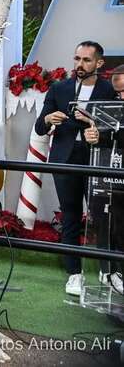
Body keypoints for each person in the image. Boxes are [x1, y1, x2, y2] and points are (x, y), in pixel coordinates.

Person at [35, 41, 117, 296]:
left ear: (99, 63)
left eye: (86, 60)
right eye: (77, 59)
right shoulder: (59, 88)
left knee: (103, 218)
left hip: (97, 161)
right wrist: (48, 118)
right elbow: (39, 127)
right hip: (65, 159)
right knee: (70, 216)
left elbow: (116, 129)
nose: (79, 64)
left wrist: (96, 129)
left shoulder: (109, 90)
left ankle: (108, 271)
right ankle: (74, 274)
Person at [81, 64, 124, 294]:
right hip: (114, 182)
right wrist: (94, 136)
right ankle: (112, 273)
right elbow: (106, 136)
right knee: (112, 226)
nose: (121, 97)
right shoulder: (111, 110)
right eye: (118, 93)